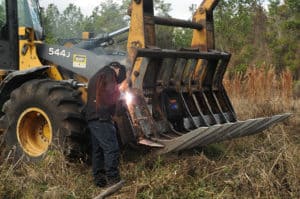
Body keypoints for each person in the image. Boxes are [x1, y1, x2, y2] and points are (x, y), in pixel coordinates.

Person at [86, 62, 126, 187]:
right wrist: (121, 102)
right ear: (118, 69)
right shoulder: (110, 73)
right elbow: (111, 92)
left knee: (98, 150)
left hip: (92, 118)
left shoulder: (97, 75)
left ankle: (99, 181)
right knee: (112, 148)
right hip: (102, 118)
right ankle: (113, 180)